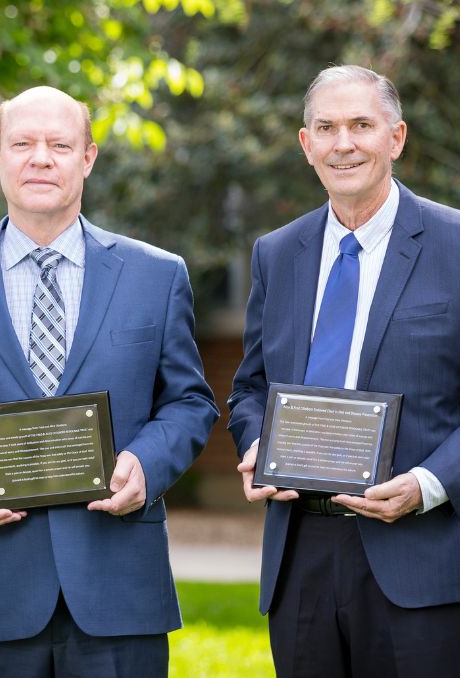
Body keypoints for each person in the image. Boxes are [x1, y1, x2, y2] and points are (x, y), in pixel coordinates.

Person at [0, 86, 218, 677]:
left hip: (118, 587)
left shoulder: (156, 276)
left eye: (59, 144)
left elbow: (189, 401)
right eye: (23, 143)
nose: (40, 158)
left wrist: (146, 465)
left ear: (87, 158)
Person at [229, 65, 460, 676]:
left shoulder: (454, 245)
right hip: (300, 551)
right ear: (306, 146)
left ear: (396, 137)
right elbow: (250, 386)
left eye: (362, 124)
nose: (344, 143)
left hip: (420, 557)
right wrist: (256, 443)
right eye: (326, 128)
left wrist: (428, 485)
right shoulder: (277, 254)